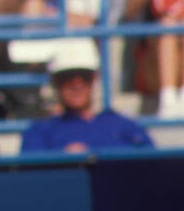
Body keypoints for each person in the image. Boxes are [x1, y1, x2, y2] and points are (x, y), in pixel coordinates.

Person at [20, 40, 152, 152]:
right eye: (67, 77)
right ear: (55, 82)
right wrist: (60, 160)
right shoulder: (39, 133)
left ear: (95, 78)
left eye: (84, 76)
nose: (77, 84)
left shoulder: (124, 127)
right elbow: (28, 177)